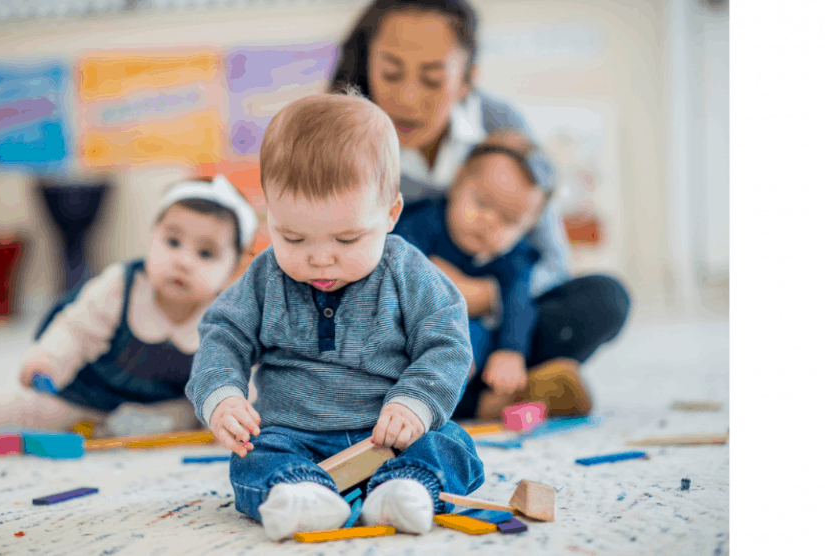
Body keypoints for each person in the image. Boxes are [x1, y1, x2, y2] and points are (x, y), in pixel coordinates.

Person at [185, 92, 484, 541]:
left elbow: (448, 343)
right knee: (254, 455)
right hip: (295, 440)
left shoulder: (408, 272)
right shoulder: (265, 276)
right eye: (293, 238)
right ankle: (301, 495)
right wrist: (222, 396)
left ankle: (404, 490)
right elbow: (222, 336)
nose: (320, 259)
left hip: (390, 438)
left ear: (390, 213)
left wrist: (416, 403)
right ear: (269, 214)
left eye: (346, 240)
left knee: (452, 443)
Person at [330, 0, 630, 414]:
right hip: (396, 322)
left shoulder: (501, 127)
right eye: (391, 72)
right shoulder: (343, 136)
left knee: (605, 300)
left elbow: (553, 261)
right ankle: (491, 397)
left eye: (433, 79)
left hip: (494, 320)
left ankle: (477, 390)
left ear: (467, 79)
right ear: (369, 64)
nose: (408, 97)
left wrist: (491, 297)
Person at [0, 175, 257, 441]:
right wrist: (48, 360)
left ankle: (130, 426)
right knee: (39, 413)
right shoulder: (122, 285)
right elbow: (75, 330)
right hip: (93, 392)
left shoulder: (225, 318)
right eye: (172, 242)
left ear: (233, 271)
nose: (183, 262)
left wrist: (241, 415)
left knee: (201, 412)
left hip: (166, 403)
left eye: (205, 253)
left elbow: (241, 373)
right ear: (152, 238)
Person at [394, 130, 589, 419]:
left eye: (509, 220)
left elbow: (518, 304)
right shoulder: (419, 224)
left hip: (466, 350)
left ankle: (465, 404)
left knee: (474, 338)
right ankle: (479, 405)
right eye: (482, 203)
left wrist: (511, 352)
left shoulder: (513, 256)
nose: (489, 222)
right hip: (405, 337)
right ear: (458, 182)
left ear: (528, 227)